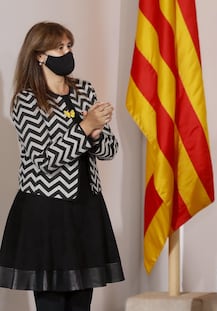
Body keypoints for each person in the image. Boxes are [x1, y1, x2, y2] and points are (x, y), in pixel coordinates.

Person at [0, 22, 124, 310]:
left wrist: (93, 135)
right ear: (40, 55)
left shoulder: (84, 90)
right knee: (52, 303)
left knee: (82, 301)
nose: (67, 52)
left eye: (69, 46)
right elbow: (43, 159)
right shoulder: (27, 100)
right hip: (46, 210)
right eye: (60, 47)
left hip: (86, 207)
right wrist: (84, 128)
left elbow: (110, 150)